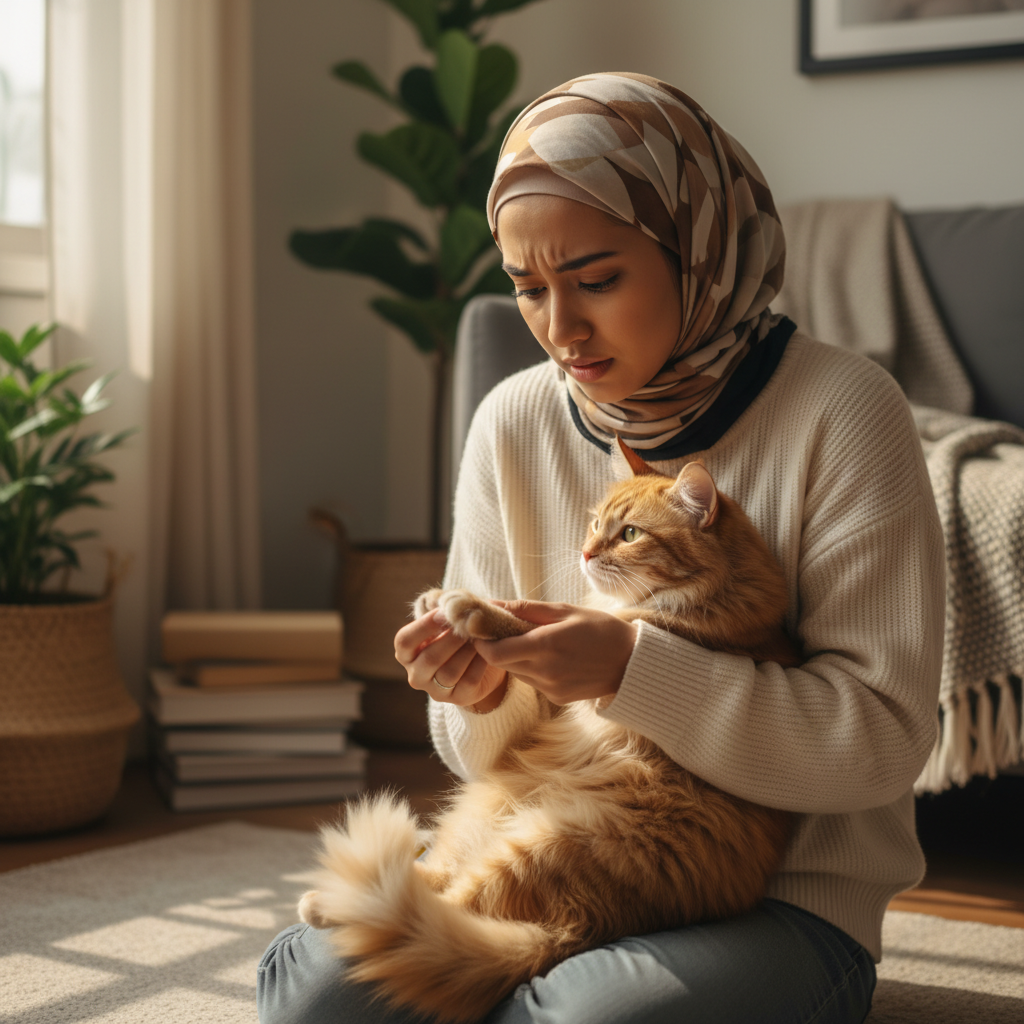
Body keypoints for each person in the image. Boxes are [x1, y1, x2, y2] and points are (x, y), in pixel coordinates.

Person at [258, 72, 943, 1024]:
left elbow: (879, 745)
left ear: (695, 245)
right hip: (553, 840)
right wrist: (477, 686)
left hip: (780, 898)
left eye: (597, 280)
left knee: (582, 1018)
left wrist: (632, 668)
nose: (559, 328)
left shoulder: (845, 410)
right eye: (527, 288)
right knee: (322, 1000)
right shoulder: (514, 419)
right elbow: (473, 752)